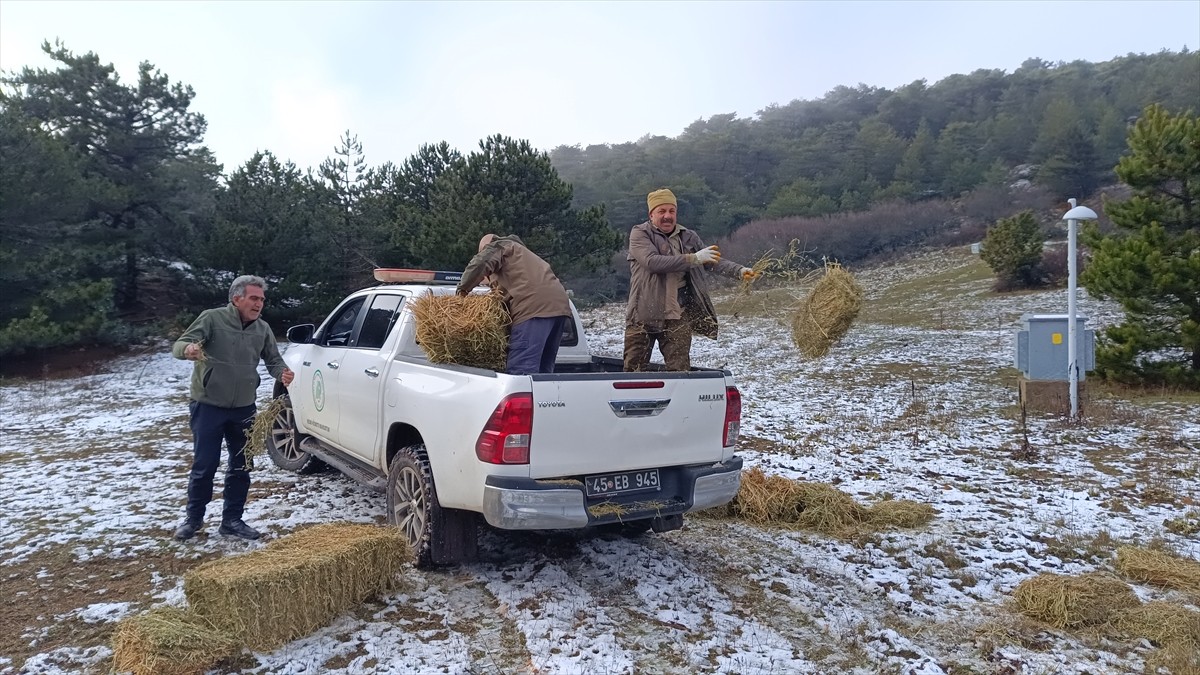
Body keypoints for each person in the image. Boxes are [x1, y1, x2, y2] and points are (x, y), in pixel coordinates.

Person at [170, 275, 294, 541]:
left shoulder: (262, 329)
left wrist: (282, 372)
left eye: (261, 299)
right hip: (208, 405)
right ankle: (193, 520)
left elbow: (273, 359)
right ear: (236, 298)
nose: (259, 304)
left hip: (244, 408)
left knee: (242, 465)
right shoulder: (212, 319)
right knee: (205, 465)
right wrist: (188, 349)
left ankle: (232, 520)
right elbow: (179, 345)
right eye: (253, 298)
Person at [624, 188, 758, 372]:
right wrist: (693, 259)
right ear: (651, 214)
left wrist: (739, 271)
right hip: (642, 314)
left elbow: (711, 260)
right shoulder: (640, 234)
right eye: (661, 211)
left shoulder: (688, 236)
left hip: (677, 315)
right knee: (633, 372)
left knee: (680, 372)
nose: (667, 216)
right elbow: (652, 262)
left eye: (671, 211)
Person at [456, 234, 573, 375]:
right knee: (543, 371)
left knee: (522, 369)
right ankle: (543, 396)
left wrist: (462, 291)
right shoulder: (523, 256)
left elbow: (480, 263)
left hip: (533, 308)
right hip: (560, 308)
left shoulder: (501, 246)